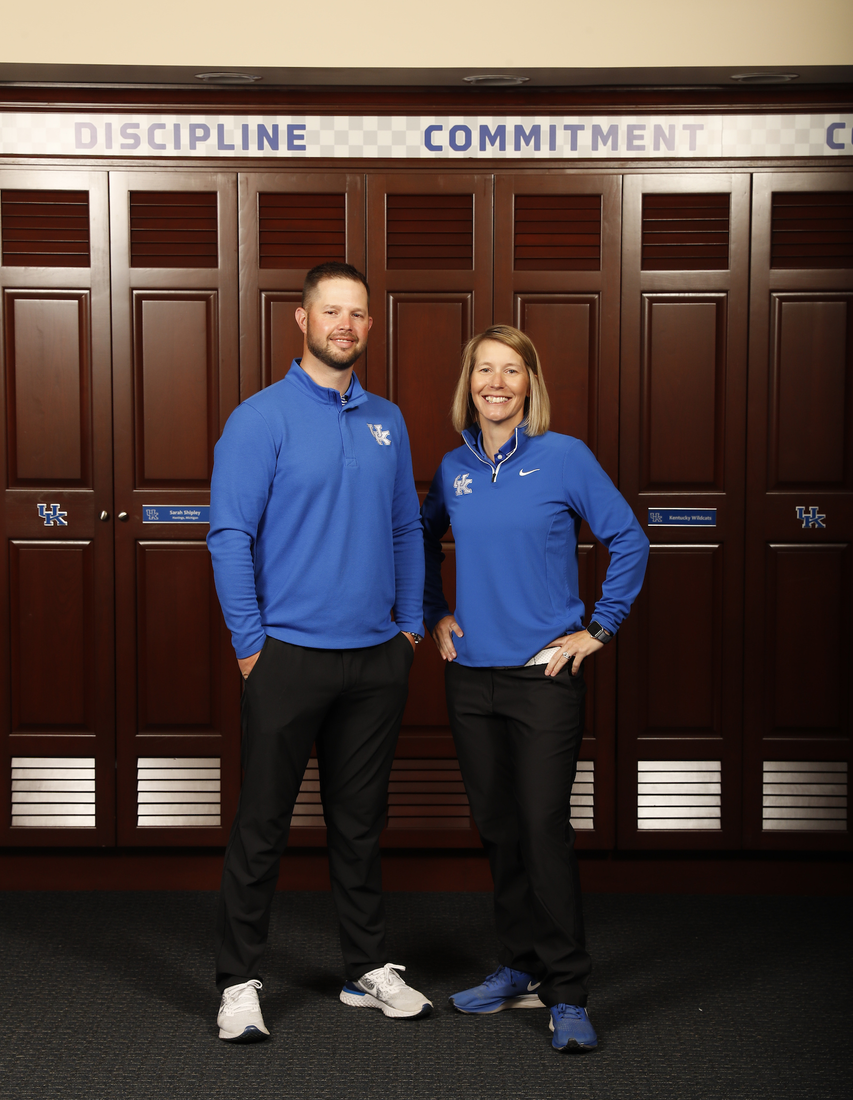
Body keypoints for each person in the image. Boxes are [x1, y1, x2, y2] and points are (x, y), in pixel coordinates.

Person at [207, 261, 432, 1041]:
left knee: (360, 823)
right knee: (262, 825)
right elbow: (229, 535)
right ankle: (238, 981)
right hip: (286, 657)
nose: (346, 324)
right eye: (331, 311)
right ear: (301, 321)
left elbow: (407, 527)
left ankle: (366, 969)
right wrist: (249, 649)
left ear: (369, 326)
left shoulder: (389, 420)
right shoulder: (259, 418)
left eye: (358, 314)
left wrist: (408, 628)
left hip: (376, 659)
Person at [421, 325, 649, 1053]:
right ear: (469, 382)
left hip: (544, 678)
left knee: (543, 829)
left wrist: (599, 629)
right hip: (470, 677)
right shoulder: (452, 468)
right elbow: (417, 538)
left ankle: (568, 990)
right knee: (498, 828)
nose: (495, 382)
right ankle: (517, 965)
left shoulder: (563, 458)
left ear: (528, 384)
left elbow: (630, 539)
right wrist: (433, 613)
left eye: (509, 371)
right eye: (483, 369)